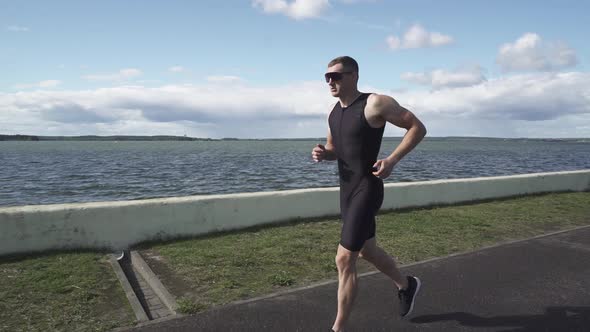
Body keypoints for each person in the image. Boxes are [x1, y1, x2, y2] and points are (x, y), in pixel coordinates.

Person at [311, 56, 427, 332]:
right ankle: (406, 284)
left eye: (336, 76)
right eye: (326, 76)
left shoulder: (375, 103)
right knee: (367, 250)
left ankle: (338, 328)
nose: (330, 81)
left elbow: (417, 127)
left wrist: (392, 160)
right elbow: (335, 149)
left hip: (368, 187)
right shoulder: (333, 112)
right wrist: (323, 153)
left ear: (354, 76)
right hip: (347, 191)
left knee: (344, 258)